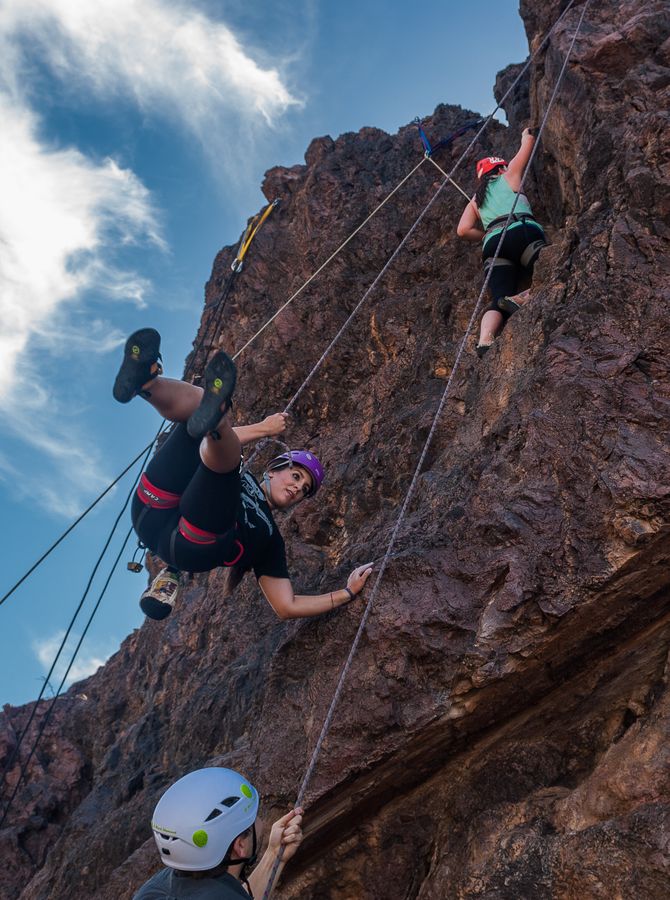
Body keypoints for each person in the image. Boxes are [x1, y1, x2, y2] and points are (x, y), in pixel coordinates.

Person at [113, 328, 373, 620]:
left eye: (304, 490)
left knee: (223, 458)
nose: (297, 488)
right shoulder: (240, 471)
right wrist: (263, 428)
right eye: (296, 476)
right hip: (154, 509)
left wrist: (347, 593)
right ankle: (145, 382)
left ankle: (215, 417)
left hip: (193, 543)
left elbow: (286, 605)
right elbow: (218, 444)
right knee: (204, 419)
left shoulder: (271, 538)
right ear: (273, 471)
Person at [133, 766, 303, 899]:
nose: (260, 821)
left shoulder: (154, 891)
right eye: (253, 819)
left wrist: (274, 856)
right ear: (240, 845)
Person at [456, 127, 547, 356]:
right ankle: (522, 296)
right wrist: (526, 135)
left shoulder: (476, 200)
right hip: (520, 231)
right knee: (550, 266)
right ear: (501, 167)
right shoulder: (509, 175)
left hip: (494, 246)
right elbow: (527, 146)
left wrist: (485, 235)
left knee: (498, 298)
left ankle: (485, 339)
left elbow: (463, 230)